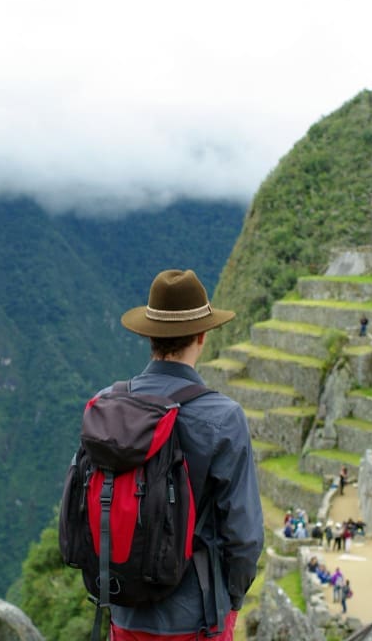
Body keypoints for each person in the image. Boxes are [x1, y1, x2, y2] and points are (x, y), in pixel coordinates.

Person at [107, 269, 264, 640]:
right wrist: (233, 602)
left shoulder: (108, 406)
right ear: (202, 336)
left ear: (149, 335)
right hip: (194, 619)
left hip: (122, 613)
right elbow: (244, 536)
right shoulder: (223, 418)